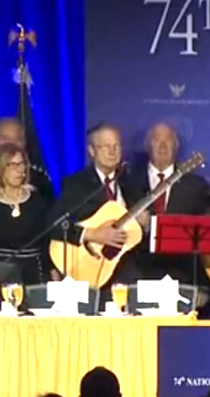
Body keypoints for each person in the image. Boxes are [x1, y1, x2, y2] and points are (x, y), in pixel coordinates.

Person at [46, 123, 143, 289]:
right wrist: (91, 234)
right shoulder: (76, 184)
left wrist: (144, 224)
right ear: (92, 151)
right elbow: (52, 225)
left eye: (116, 146)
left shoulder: (131, 183)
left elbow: (136, 232)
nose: (112, 151)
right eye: (105, 146)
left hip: (125, 270)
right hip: (89, 268)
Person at [124, 122, 210, 283]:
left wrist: (202, 287)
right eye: (157, 140)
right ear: (147, 146)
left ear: (177, 146)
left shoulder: (196, 186)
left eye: (169, 141)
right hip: (137, 275)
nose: (163, 146)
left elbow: (205, 236)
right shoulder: (127, 182)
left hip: (182, 276)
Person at [0, 145, 52, 285]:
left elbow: (46, 241)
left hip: (34, 272)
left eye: (22, 164)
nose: (19, 170)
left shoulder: (37, 201)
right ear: (1, 169)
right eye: (12, 165)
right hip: (2, 272)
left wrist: (53, 273)